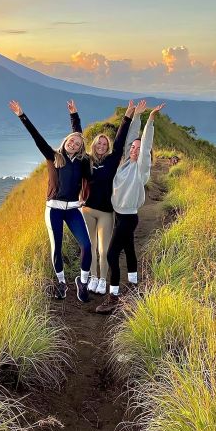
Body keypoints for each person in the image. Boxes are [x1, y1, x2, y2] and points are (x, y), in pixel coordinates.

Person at [8, 100, 92, 302]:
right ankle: (62, 283)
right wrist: (22, 115)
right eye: (71, 141)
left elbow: (78, 135)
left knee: (87, 246)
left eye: (77, 143)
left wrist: (75, 117)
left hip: (73, 210)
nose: (73, 144)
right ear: (65, 142)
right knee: (57, 248)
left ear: (81, 148)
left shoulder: (81, 161)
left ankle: (82, 282)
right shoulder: (53, 156)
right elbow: (36, 137)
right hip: (53, 209)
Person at [67, 99, 147, 295]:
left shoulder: (112, 161)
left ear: (107, 146)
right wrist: (74, 116)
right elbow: (78, 139)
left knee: (104, 250)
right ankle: (93, 277)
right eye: (99, 143)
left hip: (106, 213)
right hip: (86, 209)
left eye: (105, 143)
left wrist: (128, 115)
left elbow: (120, 140)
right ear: (94, 145)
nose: (102, 146)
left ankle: (103, 280)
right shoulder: (86, 161)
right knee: (90, 247)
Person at [96, 102, 165, 314]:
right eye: (132, 148)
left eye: (138, 149)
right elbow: (129, 140)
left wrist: (150, 120)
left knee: (111, 255)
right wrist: (136, 116)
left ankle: (114, 295)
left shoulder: (141, 170)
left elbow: (144, 146)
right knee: (128, 249)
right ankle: (134, 284)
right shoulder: (124, 163)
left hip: (128, 218)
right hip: (119, 216)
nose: (135, 150)